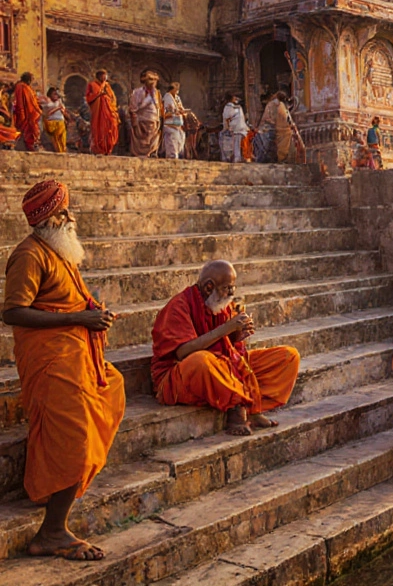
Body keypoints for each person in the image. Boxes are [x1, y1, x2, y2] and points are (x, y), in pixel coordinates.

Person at [3, 181, 126, 560]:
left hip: (73, 352)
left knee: (113, 387)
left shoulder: (59, 252)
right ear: (46, 220)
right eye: (63, 212)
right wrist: (79, 318)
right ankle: (53, 531)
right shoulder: (29, 255)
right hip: (50, 359)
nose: (70, 217)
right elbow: (11, 312)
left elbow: (69, 301)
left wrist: (94, 315)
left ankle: (55, 492)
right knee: (76, 435)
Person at [151, 261, 299, 436]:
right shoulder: (178, 306)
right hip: (181, 375)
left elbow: (229, 348)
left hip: (222, 365)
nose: (232, 293)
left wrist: (236, 334)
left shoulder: (220, 304)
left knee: (288, 357)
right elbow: (182, 352)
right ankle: (238, 408)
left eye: (233, 287)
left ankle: (244, 403)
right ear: (208, 287)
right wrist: (226, 329)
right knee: (202, 361)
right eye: (227, 288)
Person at [128, 71, 162, 157]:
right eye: (150, 80)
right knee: (140, 137)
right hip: (141, 119)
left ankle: (152, 152)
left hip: (153, 118)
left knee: (153, 137)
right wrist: (134, 116)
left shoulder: (157, 93)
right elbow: (133, 106)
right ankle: (139, 153)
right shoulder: (137, 92)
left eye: (154, 80)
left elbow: (159, 106)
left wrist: (159, 117)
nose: (153, 83)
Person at [86, 70, 119, 156]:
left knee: (111, 126)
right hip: (98, 112)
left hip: (108, 110)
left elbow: (113, 98)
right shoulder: (92, 85)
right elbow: (88, 98)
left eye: (105, 76)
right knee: (99, 130)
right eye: (102, 76)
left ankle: (108, 149)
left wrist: (111, 104)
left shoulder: (107, 85)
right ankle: (99, 149)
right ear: (98, 76)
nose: (104, 78)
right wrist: (98, 95)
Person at [13, 72, 42, 151]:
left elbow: (33, 100)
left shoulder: (28, 87)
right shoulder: (20, 86)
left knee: (33, 130)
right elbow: (20, 101)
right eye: (31, 79)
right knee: (27, 131)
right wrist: (22, 113)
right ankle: (28, 145)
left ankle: (32, 145)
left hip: (32, 114)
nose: (32, 81)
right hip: (25, 114)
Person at [161, 82, 190, 159]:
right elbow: (164, 112)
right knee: (172, 146)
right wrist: (175, 112)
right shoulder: (167, 98)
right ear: (172, 89)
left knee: (180, 145)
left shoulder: (177, 98)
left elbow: (181, 108)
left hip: (179, 124)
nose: (177, 90)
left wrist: (183, 111)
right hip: (170, 124)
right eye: (176, 89)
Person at [221, 93, 247, 163]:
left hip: (235, 129)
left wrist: (226, 128)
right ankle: (236, 158)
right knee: (237, 145)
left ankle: (232, 158)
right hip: (241, 128)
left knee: (233, 144)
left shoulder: (228, 108)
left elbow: (227, 119)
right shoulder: (238, 108)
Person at [40, 87, 68, 153]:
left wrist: (63, 111)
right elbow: (47, 114)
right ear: (50, 95)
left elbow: (65, 114)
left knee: (63, 141)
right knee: (56, 141)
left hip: (61, 122)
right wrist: (57, 108)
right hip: (52, 123)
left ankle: (63, 153)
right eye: (54, 94)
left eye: (57, 94)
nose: (56, 96)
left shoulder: (59, 103)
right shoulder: (47, 104)